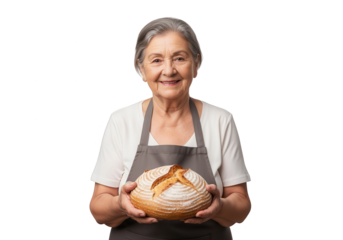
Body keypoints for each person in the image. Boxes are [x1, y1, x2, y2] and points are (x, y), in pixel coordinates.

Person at [89, 15, 252, 240]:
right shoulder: (122, 120)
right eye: (156, 60)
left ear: (196, 64)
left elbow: (242, 207)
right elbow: (98, 210)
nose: (168, 70)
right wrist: (120, 204)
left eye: (179, 58)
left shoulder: (221, 120)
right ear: (141, 68)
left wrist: (220, 207)